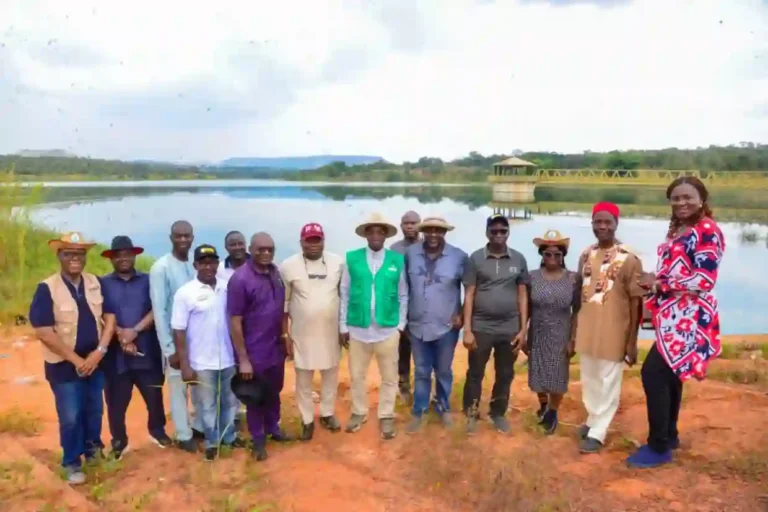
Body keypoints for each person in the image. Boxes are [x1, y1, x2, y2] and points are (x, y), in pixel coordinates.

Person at [627, 177, 726, 468]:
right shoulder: (680, 230)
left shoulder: (708, 230)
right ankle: (669, 435)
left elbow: (704, 279)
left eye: (688, 197)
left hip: (690, 318)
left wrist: (658, 284)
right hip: (673, 318)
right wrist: (655, 284)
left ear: (702, 198)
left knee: (653, 374)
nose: (682, 203)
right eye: (676, 198)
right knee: (669, 375)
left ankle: (658, 447)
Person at [29, 232, 116, 485]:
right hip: (64, 367)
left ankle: (93, 453)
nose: (75, 258)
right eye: (69, 253)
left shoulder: (95, 283)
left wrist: (99, 352)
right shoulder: (47, 288)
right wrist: (78, 361)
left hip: (95, 364)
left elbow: (109, 318)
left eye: (79, 254)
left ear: (85, 257)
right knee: (71, 415)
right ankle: (71, 462)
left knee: (94, 410)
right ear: (60, 256)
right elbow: (43, 331)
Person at [575, 202, 644, 454]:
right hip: (588, 327)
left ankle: (599, 432)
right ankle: (593, 420)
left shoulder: (629, 258)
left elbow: (637, 301)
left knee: (608, 381)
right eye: (598, 222)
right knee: (590, 378)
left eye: (608, 222)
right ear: (592, 223)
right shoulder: (585, 254)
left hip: (615, 329)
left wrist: (632, 341)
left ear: (616, 224)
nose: (602, 227)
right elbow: (579, 294)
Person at [100, 236, 172, 461]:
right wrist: (121, 334)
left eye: (127, 254)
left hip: (147, 351)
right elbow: (100, 313)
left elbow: (157, 309)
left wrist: (136, 331)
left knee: (154, 396)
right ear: (112, 258)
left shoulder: (149, 280)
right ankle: (119, 441)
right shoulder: (102, 284)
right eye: (118, 254)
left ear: (134, 255)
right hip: (115, 356)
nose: (123, 258)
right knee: (116, 402)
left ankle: (157, 431)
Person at [340, 213, 408, 440]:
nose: (376, 235)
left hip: (387, 329)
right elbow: (345, 292)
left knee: (389, 376)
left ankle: (386, 414)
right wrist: (343, 325)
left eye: (381, 231)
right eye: (372, 231)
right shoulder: (352, 258)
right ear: (366, 234)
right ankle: (359, 411)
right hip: (358, 329)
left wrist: (400, 325)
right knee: (357, 375)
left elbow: (403, 294)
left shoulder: (397, 260)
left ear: (386, 235)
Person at [171, 244, 241, 461]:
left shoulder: (227, 287)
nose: (208, 266)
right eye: (203, 263)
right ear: (196, 266)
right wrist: (185, 364)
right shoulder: (185, 293)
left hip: (228, 358)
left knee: (230, 401)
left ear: (218, 264)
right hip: (201, 363)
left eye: (212, 262)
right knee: (207, 405)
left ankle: (229, 437)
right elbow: (179, 331)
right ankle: (212, 443)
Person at [228, 232, 294, 461]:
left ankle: (273, 429)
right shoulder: (240, 279)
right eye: (261, 249)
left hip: (275, 348)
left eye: (270, 249)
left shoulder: (275, 273)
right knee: (254, 396)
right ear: (251, 249)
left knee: (274, 392)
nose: (266, 253)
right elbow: (235, 320)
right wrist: (243, 359)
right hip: (253, 352)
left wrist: (285, 338)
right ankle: (257, 439)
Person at [462, 214, 529, 434]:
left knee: (505, 372)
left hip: (509, 327)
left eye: (503, 231)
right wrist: (468, 329)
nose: (498, 235)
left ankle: (497, 412)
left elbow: (522, 295)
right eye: (494, 231)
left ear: (508, 233)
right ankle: (471, 412)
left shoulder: (518, 259)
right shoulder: (476, 258)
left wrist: (523, 329)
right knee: (475, 372)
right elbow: (469, 294)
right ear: (487, 233)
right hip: (481, 326)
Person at [279, 223, 344, 441]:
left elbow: (344, 296)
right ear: (301, 243)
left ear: (324, 241)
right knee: (304, 379)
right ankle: (307, 419)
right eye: (310, 240)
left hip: (330, 333)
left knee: (330, 375)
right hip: (302, 335)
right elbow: (284, 304)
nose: (314, 245)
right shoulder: (288, 266)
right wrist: (285, 335)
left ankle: (327, 413)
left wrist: (345, 328)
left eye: (318, 240)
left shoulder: (337, 263)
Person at [404, 216, 467, 433]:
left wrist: (462, 315)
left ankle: (443, 406)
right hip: (417, 324)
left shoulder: (459, 257)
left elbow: (470, 288)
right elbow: (403, 288)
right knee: (421, 370)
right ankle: (419, 410)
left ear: (445, 233)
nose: (433, 235)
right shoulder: (410, 254)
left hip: (446, 326)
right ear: (422, 232)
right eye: (429, 230)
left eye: (438, 231)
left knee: (443, 370)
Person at [149, 220, 201, 453]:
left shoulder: (195, 264)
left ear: (192, 238)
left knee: (199, 384)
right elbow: (159, 311)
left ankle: (198, 426)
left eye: (187, 236)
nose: (183, 240)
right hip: (175, 341)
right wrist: (169, 349)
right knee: (178, 388)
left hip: (199, 340)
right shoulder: (161, 268)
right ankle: (183, 434)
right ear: (170, 238)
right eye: (178, 236)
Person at [523, 230, 581, 435]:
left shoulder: (573, 279)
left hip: (561, 332)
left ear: (563, 255)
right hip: (537, 331)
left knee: (558, 376)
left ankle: (553, 412)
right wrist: (523, 332)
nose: (553, 258)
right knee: (537, 372)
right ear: (541, 255)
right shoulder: (532, 277)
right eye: (548, 254)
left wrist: (573, 339)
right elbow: (526, 307)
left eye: (557, 254)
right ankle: (543, 404)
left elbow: (577, 311)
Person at [216, 230, 249, 429]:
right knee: (233, 368)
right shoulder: (219, 269)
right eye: (232, 244)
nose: (237, 247)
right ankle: (234, 412)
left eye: (240, 243)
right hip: (229, 328)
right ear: (226, 248)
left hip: (254, 327)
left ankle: (257, 407)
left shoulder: (257, 265)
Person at [390, 211, 421, 400]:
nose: (410, 226)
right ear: (401, 226)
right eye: (406, 223)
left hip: (421, 306)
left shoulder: (426, 247)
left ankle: (423, 385)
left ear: (419, 225)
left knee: (422, 349)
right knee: (402, 348)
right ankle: (403, 384)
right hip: (400, 306)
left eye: (413, 223)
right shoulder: (394, 249)